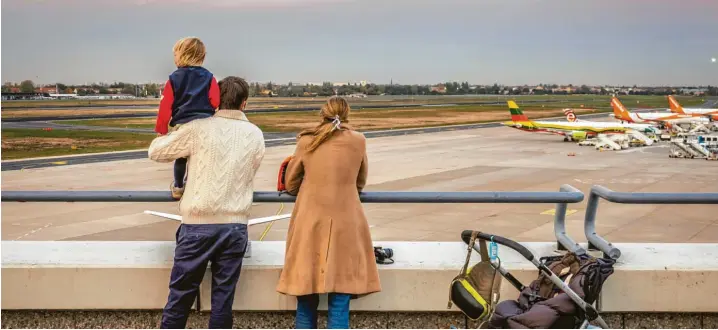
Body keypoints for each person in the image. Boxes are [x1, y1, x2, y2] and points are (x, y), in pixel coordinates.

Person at [148, 76, 265, 329]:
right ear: (244, 103)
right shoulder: (255, 134)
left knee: (179, 298)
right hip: (235, 226)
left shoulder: (198, 127)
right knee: (223, 301)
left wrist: (174, 127)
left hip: (198, 224)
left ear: (214, 99)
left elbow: (155, 152)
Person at [276, 96, 381, 329]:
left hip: (310, 225)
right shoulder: (358, 141)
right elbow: (360, 182)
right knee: (340, 303)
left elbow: (291, 185)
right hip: (347, 225)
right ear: (347, 115)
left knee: (305, 300)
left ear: (322, 113)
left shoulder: (307, 141)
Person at [154, 36, 220, 200]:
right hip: (205, 125)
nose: (174, 59)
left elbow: (165, 107)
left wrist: (161, 130)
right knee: (199, 158)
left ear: (183, 55)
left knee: (181, 157)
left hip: (183, 125)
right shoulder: (209, 77)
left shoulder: (174, 79)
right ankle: (194, 185)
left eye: (175, 55)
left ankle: (178, 186)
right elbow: (216, 100)